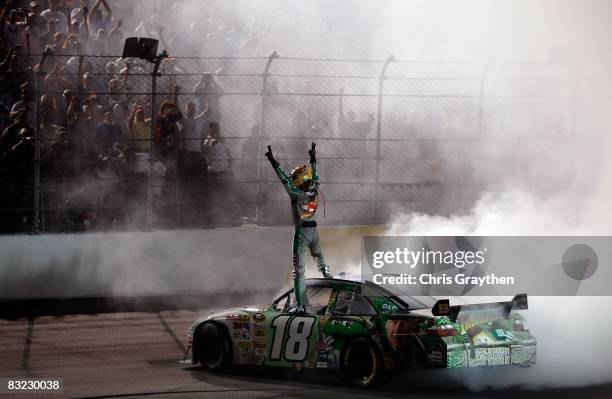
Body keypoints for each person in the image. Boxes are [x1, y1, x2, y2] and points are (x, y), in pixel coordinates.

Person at [264, 142, 332, 313]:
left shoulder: (296, 193)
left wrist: (273, 161)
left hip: (302, 233)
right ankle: (332, 280)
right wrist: (313, 158)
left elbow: (283, 178)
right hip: (315, 231)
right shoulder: (315, 188)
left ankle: (301, 306)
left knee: (298, 272)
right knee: (320, 260)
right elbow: (314, 174)